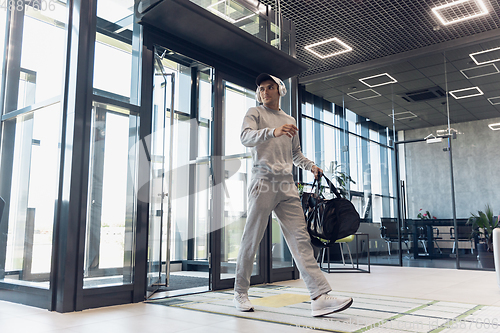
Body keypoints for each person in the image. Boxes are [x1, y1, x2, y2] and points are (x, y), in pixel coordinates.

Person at [233, 73, 353, 317]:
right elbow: (245, 137)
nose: (264, 92)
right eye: (261, 89)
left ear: (280, 90)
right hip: (263, 182)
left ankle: (319, 296)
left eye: (269, 87)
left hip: (287, 185)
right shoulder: (254, 113)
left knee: (301, 240)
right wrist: (272, 132)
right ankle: (240, 292)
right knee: (251, 238)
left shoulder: (289, 120)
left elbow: (295, 153)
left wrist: (311, 166)